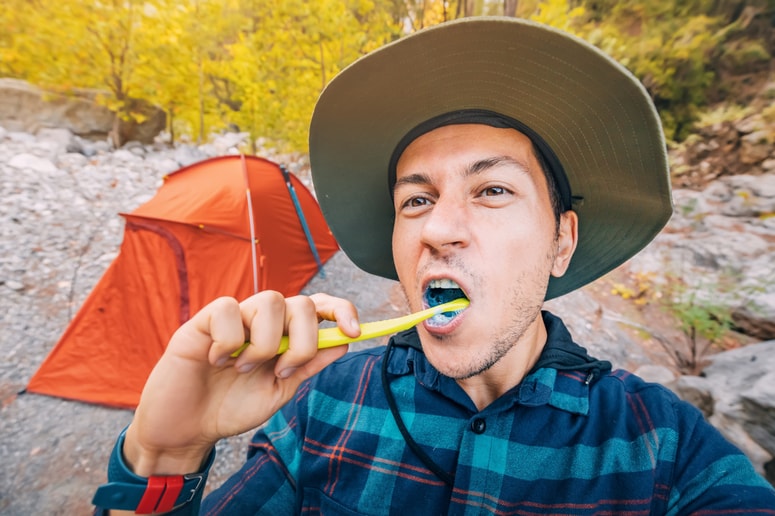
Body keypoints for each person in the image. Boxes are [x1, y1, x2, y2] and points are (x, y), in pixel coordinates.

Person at [93, 16, 775, 515]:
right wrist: (163, 459)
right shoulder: (322, 402)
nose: (438, 229)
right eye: (415, 200)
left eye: (492, 190)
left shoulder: (668, 452)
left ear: (560, 242)